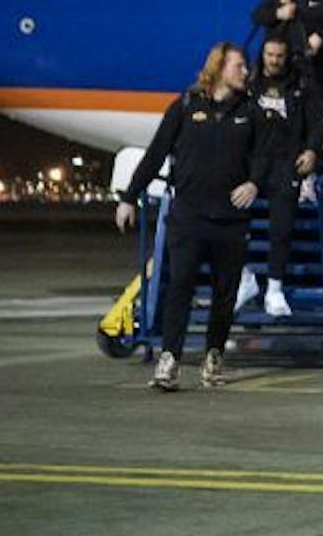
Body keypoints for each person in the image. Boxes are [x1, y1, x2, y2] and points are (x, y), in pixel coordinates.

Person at [116, 42, 279, 391]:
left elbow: (266, 156)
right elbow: (156, 153)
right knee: (181, 286)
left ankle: (214, 355)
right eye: (239, 66)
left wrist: (254, 182)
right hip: (188, 216)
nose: (246, 72)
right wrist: (129, 197)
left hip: (231, 220)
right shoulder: (186, 106)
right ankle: (170, 359)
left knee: (225, 292)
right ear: (219, 68)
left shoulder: (252, 112)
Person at [235, 34, 323, 320]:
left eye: (279, 56)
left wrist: (311, 150)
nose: (273, 61)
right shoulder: (250, 86)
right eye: (269, 55)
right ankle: (244, 278)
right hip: (252, 167)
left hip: (286, 164)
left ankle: (274, 288)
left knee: (281, 228)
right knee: (233, 223)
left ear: (286, 57)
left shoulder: (300, 85)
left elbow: (317, 121)